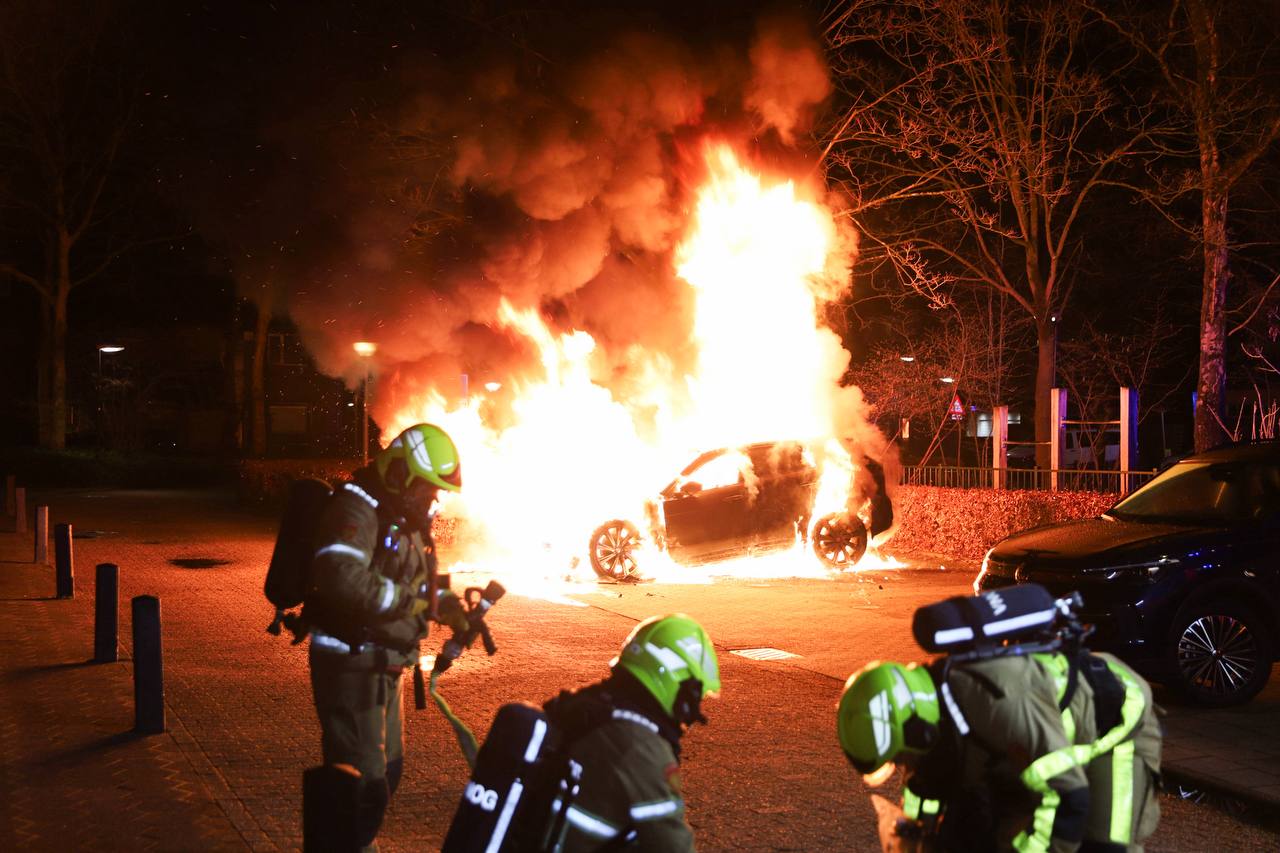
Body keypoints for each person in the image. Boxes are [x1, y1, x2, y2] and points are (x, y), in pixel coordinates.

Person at [302, 422, 466, 852]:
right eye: (427, 489)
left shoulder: (403, 515)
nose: (432, 501)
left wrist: (448, 606)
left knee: (387, 773)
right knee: (359, 784)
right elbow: (339, 574)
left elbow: (416, 581)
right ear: (400, 473)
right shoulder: (356, 508)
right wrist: (409, 604)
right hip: (351, 662)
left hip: (385, 665)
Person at [838, 655, 1091, 852]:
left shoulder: (999, 710)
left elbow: (1070, 797)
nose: (904, 771)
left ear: (918, 731)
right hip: (1035, 766)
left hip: (1113, 730)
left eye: (900, 759)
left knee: (1103, 843)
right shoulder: (936, 725)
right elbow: (925, 806)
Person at [538, 614, 720, 851]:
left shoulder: (582, 705)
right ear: (673, 681)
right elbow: (672, 845)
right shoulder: (642, 748)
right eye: (695, 696)